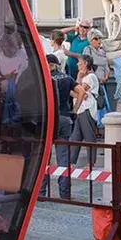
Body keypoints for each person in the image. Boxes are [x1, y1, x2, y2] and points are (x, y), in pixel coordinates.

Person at [39, 54, 82, 199]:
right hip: (65, 118)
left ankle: (42, 193)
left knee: (44, 157)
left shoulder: (43, 78)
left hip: (49, 120)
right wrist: (74, 111)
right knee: (63, 158)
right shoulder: (67, 78)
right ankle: (65, 193)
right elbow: (81, 92)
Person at [70, 55, 100, 166]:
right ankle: (71, 162)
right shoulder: (84, 78)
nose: (77, 64)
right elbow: (74, 92)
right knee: (76, 137)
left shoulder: (90, 77)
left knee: (89, 136)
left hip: (87, 109)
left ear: (86, 63)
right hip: (80, 109)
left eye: (79, 62)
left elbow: (78, 91)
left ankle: (91, 163)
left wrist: (78, 78)